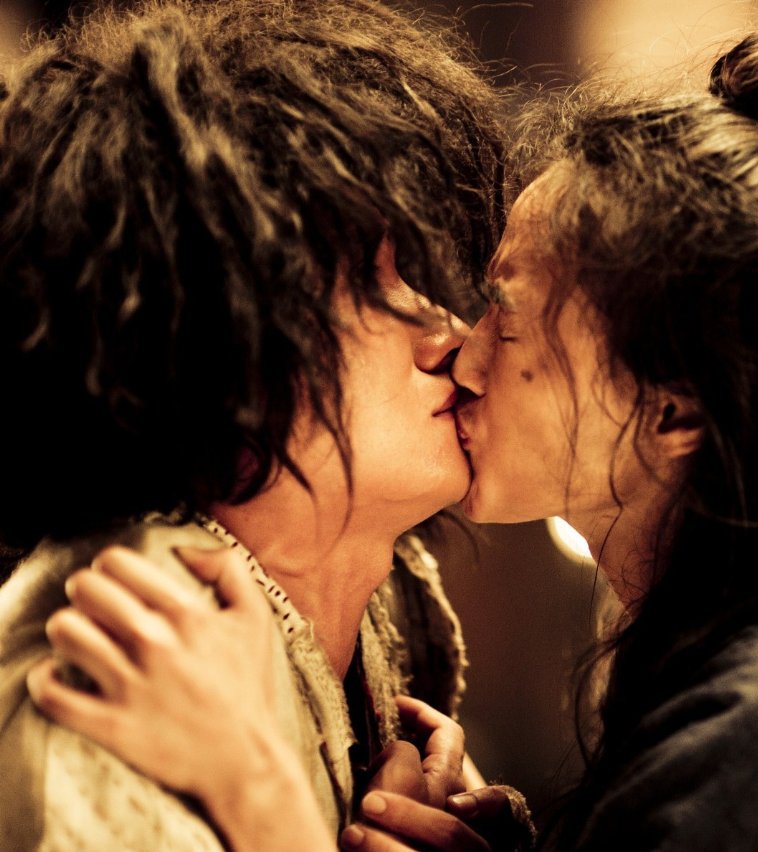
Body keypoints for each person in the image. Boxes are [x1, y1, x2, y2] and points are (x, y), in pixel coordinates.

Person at [35, 19, 758, 852]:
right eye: (400, 298)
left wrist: (267, 805)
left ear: (675, 409)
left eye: (507, 315)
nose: (459, 347)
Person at [0, 0, 517, 848]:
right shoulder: (118, 645)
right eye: (369, 287)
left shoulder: (385, 609)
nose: (449, 336)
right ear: (209, 349)